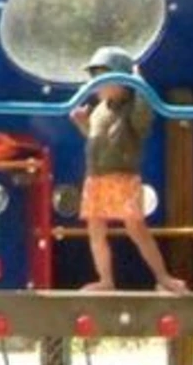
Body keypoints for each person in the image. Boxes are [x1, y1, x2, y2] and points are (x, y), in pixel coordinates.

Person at [72, 45, 186, 293]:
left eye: (103, 79)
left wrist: (140, 84)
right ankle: (105, 280)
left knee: (136, 228)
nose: (96, 85)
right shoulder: (100, 110)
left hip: (122, 176)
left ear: (123, 82)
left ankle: (163, 277)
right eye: (94, 79)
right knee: (95, 230)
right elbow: (97, 140)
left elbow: (142, 122)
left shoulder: (133, 107)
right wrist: (82, 124)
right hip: (96, 177)